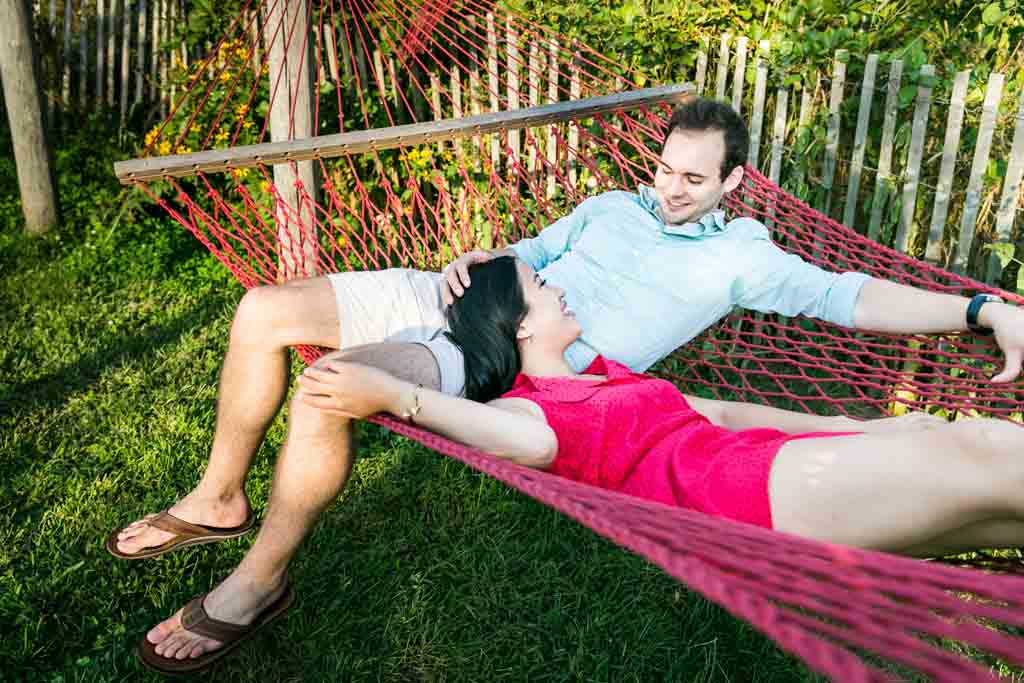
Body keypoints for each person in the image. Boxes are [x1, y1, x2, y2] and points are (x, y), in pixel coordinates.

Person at [111, 98, 1024, 673]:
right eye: (663, 167)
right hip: (475, 295)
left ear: (734, 182)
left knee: (333, 387)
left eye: (693, 180)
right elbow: (533, 254)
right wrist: (477, 257)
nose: (668, 190)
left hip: (510, 357)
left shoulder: (743, 260)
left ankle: (258, 580)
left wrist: (981, 309)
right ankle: (220, 495)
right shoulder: (612, 205)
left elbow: (849, 295)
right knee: (264, 310)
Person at [307, 255, 1024, 552]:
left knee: (949, 438)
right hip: (750, 502)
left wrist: (843, 425)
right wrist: (400, 396)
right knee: (966, 450)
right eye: (541, 283)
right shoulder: (531, 406)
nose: (558, 284)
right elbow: (533, 449)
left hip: (763, 461)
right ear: (522, 324)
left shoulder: (605, 374)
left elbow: (716, 412)